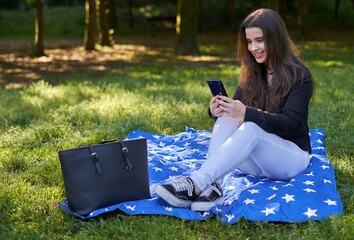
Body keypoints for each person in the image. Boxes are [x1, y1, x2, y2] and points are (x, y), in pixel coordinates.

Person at [155, 8, 314, 212]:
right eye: (249, 42)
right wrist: (217, 111)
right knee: (230, 116)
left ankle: (196, 183)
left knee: (249, 128)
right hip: (258, 162)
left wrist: (245, 113)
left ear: (276, 39)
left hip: (291, 159)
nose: (253, 47)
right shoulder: (253, 71)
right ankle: (214, 186)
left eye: (260, 40)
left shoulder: (300, 76)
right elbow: (235, 115)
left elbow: (289, 124)